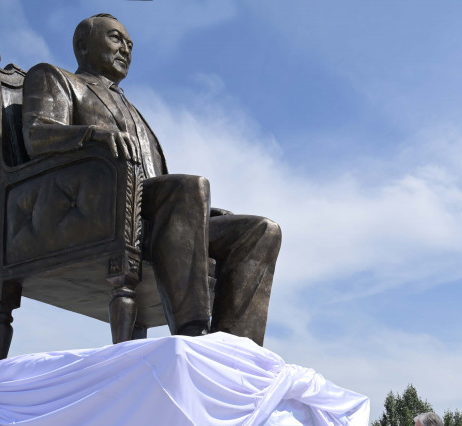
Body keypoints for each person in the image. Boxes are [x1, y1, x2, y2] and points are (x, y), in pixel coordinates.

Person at [21, 14, 281, 345]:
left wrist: (199, 209)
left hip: (154, 217)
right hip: (100, 213)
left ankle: (234, 350)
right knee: (190, 186)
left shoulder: (130, 106)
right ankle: (192, 333)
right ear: (82, 46)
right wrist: (92, 134)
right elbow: (37, 134)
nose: (126, 49)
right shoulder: (56, 78)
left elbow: (162, 184)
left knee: (260, 230)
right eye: (116, 38)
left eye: (130, 44)